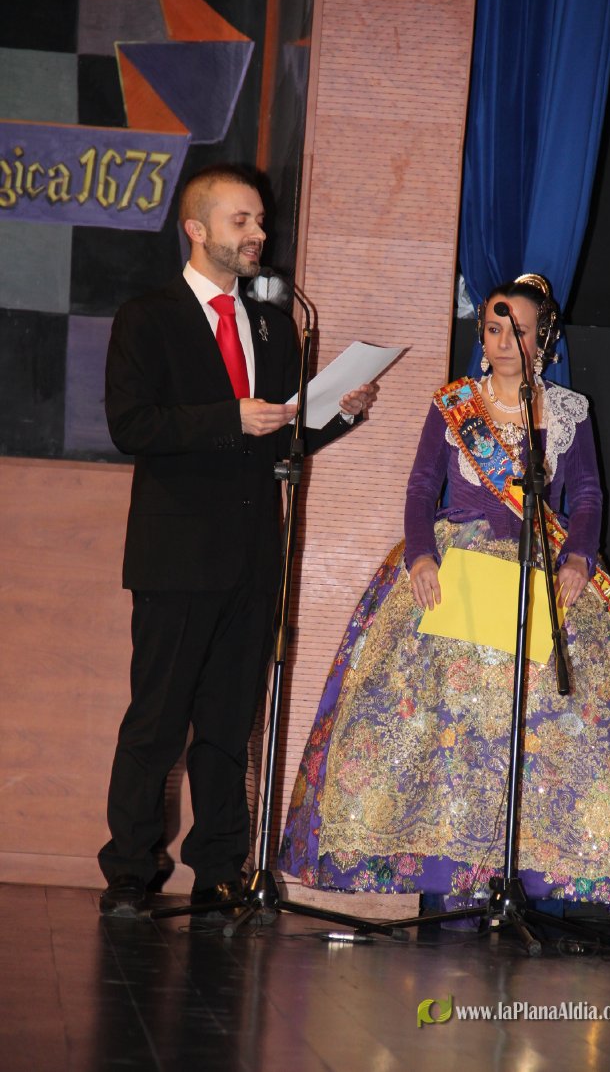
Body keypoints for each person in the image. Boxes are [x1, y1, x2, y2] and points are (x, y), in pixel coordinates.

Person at [279, 273, 610, 917]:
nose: (501, 341)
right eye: (493, 329)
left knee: (550, 724)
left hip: (540, 570)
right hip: (458, 567)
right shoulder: (454, 404)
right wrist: (420, 555)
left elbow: (586, 495)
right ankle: (450, 878)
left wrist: (579, 559)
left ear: (541, 340)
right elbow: (421, 487)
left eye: (516, 331)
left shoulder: (567, 411)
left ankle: (530, 877)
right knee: (444, 724)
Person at [98, 163, 377, 919]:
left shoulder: (273, 324)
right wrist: (230, 418)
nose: (259, 234)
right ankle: (129, 869)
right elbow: (131, 425)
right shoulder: (147, 317)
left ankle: (219, 869)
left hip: (255, 555)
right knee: (157, 720)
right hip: (176, 555)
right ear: (197, 229)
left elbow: (280, 434)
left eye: (260, 221)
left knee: (228, 725)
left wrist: (339, 412)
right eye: (242, 221)